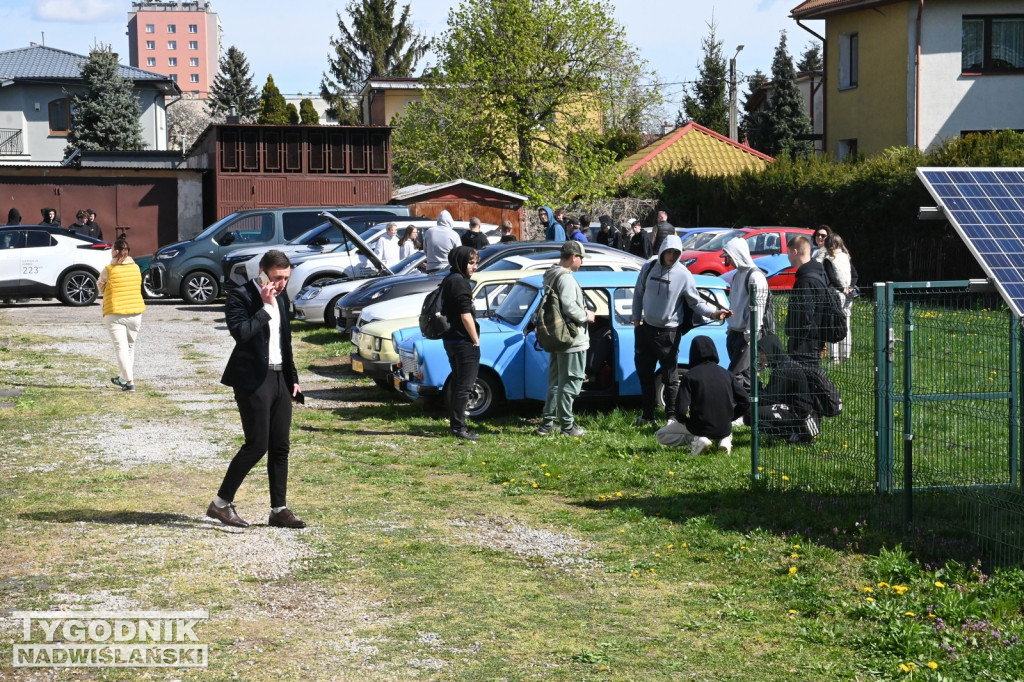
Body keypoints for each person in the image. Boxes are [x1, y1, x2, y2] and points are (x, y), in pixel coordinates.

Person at [207, 249, 306, 530]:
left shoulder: (283, 295)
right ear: (262, 272)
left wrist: (293, 378)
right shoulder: (241, 295)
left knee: (280, 447)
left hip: (279, 379)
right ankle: (220, 504)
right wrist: (265, 306)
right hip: (252, 379)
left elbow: (284, 342)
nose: (281, 284)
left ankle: (279, 510)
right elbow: (241, 333)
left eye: (286, 278)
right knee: (256, 445)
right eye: (277, 278)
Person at [631, 234, 731, 427]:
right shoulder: (649, 267)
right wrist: (636, 320)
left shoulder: (684, 274)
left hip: (669, 332)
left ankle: (672, 417)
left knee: (670, 377)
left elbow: (695, 302)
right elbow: (638, 293)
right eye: (668, 252)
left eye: (675, 253)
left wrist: (714, 313)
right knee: (645, 374)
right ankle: (647, 416)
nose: (671, 256)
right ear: (662, 251)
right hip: (645, 329)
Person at [535, 241, 594, 437]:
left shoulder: (552, 275)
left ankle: (547, 423)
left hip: (557, 336)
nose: (582, 262)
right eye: (581, 258)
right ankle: (567, 427)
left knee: (555, 382)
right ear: (572, 257)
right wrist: (587, 316)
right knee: (572, 382)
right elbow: (569, 307)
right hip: (572, 338)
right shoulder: (566, 279)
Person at [656, 335, 748, 455]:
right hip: (724, 426)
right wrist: (731, 417)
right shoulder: (727, 374)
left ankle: (697, 440)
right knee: (723, 430)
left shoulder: (690, 376)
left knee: (661, 435)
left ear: (693, 353)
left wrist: (684, 421)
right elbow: (745, 401)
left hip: (699, 427)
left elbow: (681, 409)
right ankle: (725, 440)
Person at [440, 246, 481, 441]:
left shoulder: (450, 279)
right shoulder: (459, 283)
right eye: (471, 263)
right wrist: (475, 340)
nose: (474, 266)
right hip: (462, 341)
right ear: (460, 262)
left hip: (451, 339)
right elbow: (465, 315)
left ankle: (456, 424)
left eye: (475, 262)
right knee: (465, 385)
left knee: (458, 383)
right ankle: (458, 426)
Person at [722, 237, 770, 395]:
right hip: (735, 332)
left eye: (728, 256)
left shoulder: (755, 277)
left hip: (747, 336)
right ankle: (754, 409)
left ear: (737, 254)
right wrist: (730, 328)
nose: (727, 260)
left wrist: (750, 336)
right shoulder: (737, 275)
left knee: (735, 375)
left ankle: (745, 411)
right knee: (745, 376)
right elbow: (735, 304)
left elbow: (758, 309)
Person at [98, 237, 146, 393]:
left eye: (112, 249)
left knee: (120, 348)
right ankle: (123, 378)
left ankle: (129, 382)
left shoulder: (109, 269)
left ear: (117, 252)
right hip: (135, 312)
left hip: (115, 312)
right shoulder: (136, 267)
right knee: (130, 347)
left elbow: (100, 287)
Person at [755, 333, 820, 443]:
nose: (760, 357)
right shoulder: (785, 364)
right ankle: (791, 433)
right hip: (797, 409)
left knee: (752, 412)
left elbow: (765, 400)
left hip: (799, 414)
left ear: (771, 351)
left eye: (762, 353)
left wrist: (756, 380)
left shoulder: (782, 371)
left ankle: (792, 435)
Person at [786, 235, 828, 366]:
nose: (788, 257)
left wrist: (797, 343)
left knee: (812, 379)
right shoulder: (818, 274)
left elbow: (805, 315)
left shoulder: (805, 281)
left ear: (795, 252)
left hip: (805, 344)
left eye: (788, 253)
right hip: (814, 339)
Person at [822, 233, 857, 363]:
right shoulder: (846, 257)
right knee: (846, 324)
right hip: (848, 294)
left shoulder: (828, 259)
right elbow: (855, 275)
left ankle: (834, 357)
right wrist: (850, 288)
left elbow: (831, 278)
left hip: (836, 294)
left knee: (834, 324)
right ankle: (845, 356)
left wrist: (842, 289)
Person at [423, 210, 461, 274]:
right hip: (447, 268)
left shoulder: (429, 232)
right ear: (450, 221)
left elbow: (425, 250)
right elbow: (459, 253)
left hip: (430, 268)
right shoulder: (454, 234)